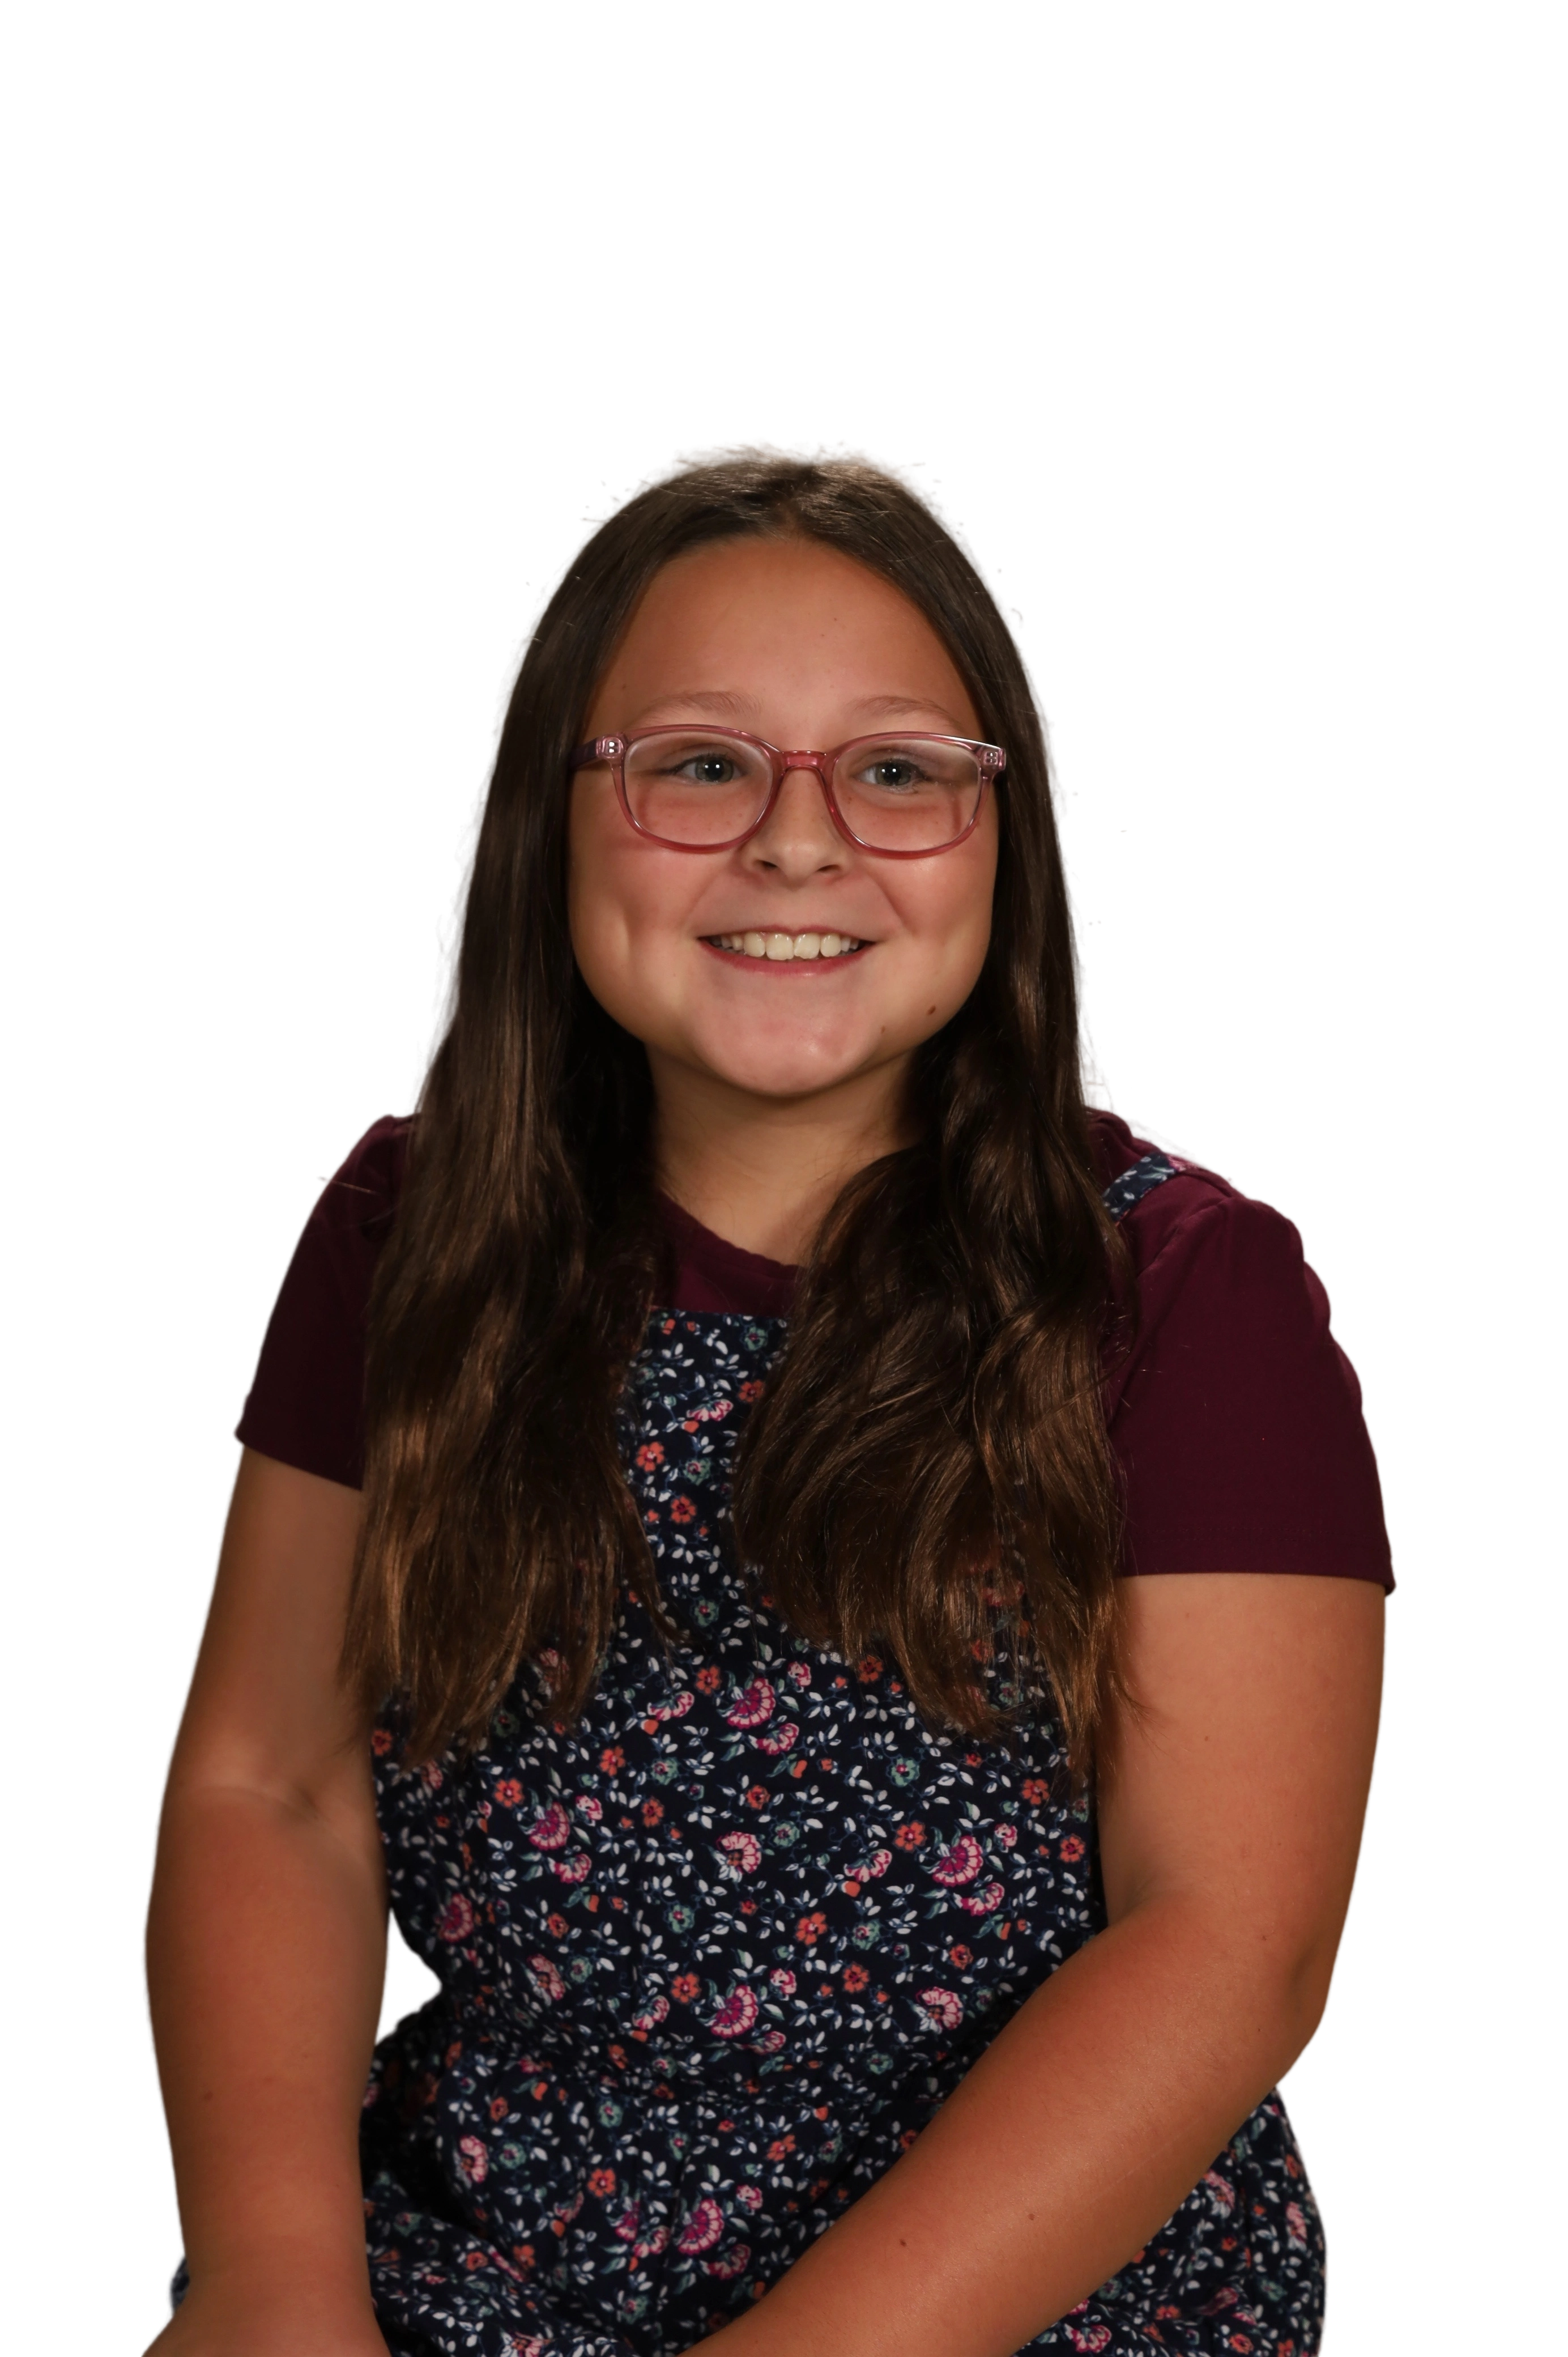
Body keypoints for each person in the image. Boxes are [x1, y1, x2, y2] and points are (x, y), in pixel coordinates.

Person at [139, 436, 1394, 2357]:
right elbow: (269, 1787)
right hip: (475, 2268)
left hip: (1032, 2298)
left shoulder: (1188, 1293)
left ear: (1005, 833)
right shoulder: (404, 1241)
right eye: (701, 765)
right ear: (552, 818)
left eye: (896, 771)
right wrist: (277, 2283)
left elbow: (1229, 1944)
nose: (799, 842)